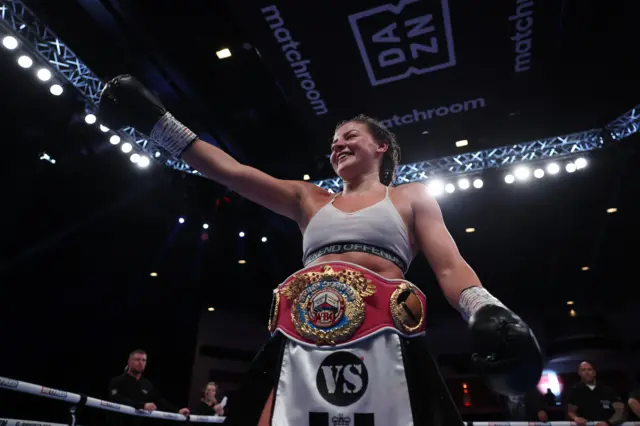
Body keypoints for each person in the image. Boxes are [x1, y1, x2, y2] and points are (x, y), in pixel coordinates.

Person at [98, 75, 543, 426]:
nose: (337, 146)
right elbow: (229, 171)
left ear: (380, 146)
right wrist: (156, 122)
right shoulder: (309, 199)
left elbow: (450, 268)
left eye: (349, 136)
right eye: (333, 143)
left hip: (386, 338)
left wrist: (485, 309)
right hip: (298, 338)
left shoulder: (411, 197)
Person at [107, 349, 190, 426]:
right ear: (129, 362)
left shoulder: (146, 384)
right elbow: (116, 398)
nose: (140, 362)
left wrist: (177, 411)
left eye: (143, 360)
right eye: (137, 359)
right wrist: (142, 405)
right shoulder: (117, 381)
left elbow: (158, 400)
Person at [566, 361, 626, 426]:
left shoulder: (608, 390)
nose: (587, 372)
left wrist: (608, 423)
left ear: (594, 372)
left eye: (589, 369)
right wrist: (576, 418)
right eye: (583, 370)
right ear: (579, 373)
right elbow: (570, 411)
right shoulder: (575, 391)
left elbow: (621, 411)